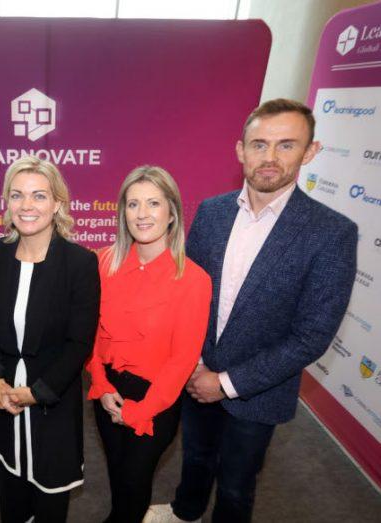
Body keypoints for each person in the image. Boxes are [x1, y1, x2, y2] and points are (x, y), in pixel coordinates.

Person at [144, 99, 357, 523]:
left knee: (238, 485)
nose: (270, 158)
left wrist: (224, 383)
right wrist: (192, 363)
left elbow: (311, 335)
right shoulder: (213, 211)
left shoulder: (332, 233)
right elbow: (188, 294)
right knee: (195, 458)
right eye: (259, 145)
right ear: (240, 150)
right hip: (195, 372)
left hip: (258, 390)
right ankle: (186, 512)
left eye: (286, 145)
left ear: (309, 152)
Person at [87, 166, 212, 523]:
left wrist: (140, 411)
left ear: (172, 212)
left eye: (153, 203)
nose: (142, 214)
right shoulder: (102, 262)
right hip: (108, 388)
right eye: (133, 204)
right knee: (116, 472)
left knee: (134, 479)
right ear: (122, 212)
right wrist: (100, 381)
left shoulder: (194, 280)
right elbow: (90, 333)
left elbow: (182, 359)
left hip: (156, 399)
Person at [0, 156, 100, 523]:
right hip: (5, 394)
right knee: (11, 489)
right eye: (17, 196)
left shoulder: (80, 263)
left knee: (49, 497)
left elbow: (80, 343)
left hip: (53, 399)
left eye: (39, 196)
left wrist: (37, 392)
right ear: (7, 202)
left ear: (57, 204)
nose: (27, 206)